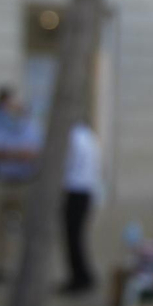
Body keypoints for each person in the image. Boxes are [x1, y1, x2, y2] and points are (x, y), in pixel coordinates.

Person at [0, 86, 41, 285]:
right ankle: (0, 268)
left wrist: (9, 153)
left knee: (29, 229)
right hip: (3, 182)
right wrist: (19, 155)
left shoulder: (32, 126)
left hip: (25, 183)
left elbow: (34, 154)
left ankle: (28, 270)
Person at [60, 119, 102, 294]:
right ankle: (83, 275)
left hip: (75, 190)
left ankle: (80, 278)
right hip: (86, 190)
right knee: (77, 237)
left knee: (73, 237)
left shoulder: (74, 138)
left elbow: (67, 164)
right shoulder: (89, 136)